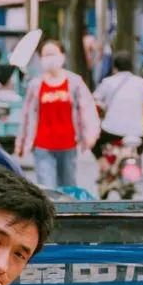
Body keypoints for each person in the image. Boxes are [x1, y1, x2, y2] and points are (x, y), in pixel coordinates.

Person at [15, 40, 100, 190]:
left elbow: (87, 109)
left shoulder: (74, 82)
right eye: (45, 55)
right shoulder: (35, 85)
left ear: (62, 56)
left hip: (68, 145)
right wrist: (20, 143)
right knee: (48, 191)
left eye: (53, 53)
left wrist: (90, 135)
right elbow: (26, 116)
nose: (49, 58)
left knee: (68, 188)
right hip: (43, 146)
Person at [92, 51, 143, 182]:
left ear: (114, 67)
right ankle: (135, 157)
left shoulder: (107, 82)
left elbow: (94, 100)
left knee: (94, 141)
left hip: (111, 130)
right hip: (137, 132)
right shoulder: (141, 82)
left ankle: (105, 167)